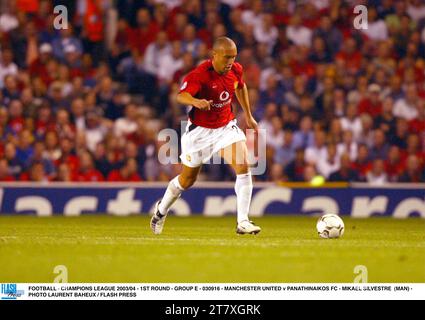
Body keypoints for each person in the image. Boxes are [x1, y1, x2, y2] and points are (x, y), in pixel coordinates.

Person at [150, 37, 261, 235]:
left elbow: (241, 87)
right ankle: (161, 211)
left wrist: (249, 115)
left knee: (243, 166)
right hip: (199, 133)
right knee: (187, 180)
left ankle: (242, 221)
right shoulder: (200, 75)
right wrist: (195, 101)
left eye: (233, 57)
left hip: (225, 127)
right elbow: (180, 96)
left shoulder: (236, 69)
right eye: (227, 57)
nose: (230, 62)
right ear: (214, 55)